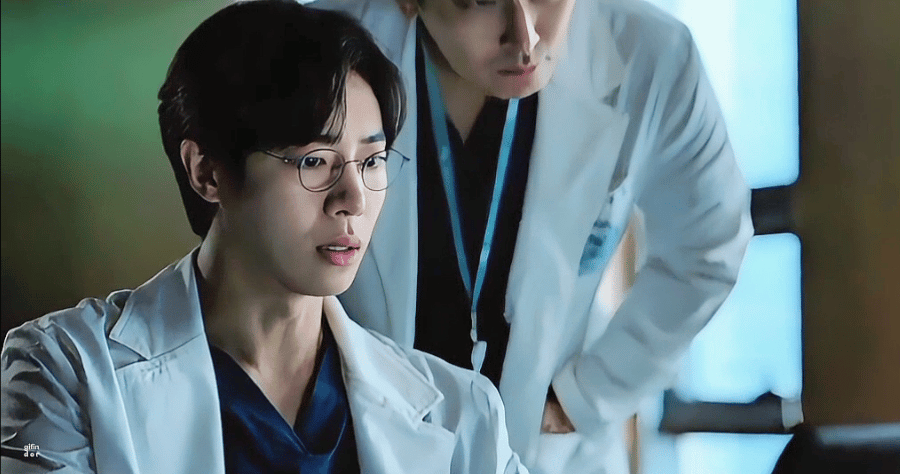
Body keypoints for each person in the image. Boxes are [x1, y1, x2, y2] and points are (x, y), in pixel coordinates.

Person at [0, 2, 527, 473]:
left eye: (372, 161)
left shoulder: (462, 413)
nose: (354, 198)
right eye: (314, 161)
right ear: (207, 171)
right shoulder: (62, 373)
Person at [303, 0, 754, 472]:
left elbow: (709, 246)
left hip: (548, 451)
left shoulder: (651, 56)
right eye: (481, 2)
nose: (526, 39)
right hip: (363, 435)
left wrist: (583, 398)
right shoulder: (314, 51)